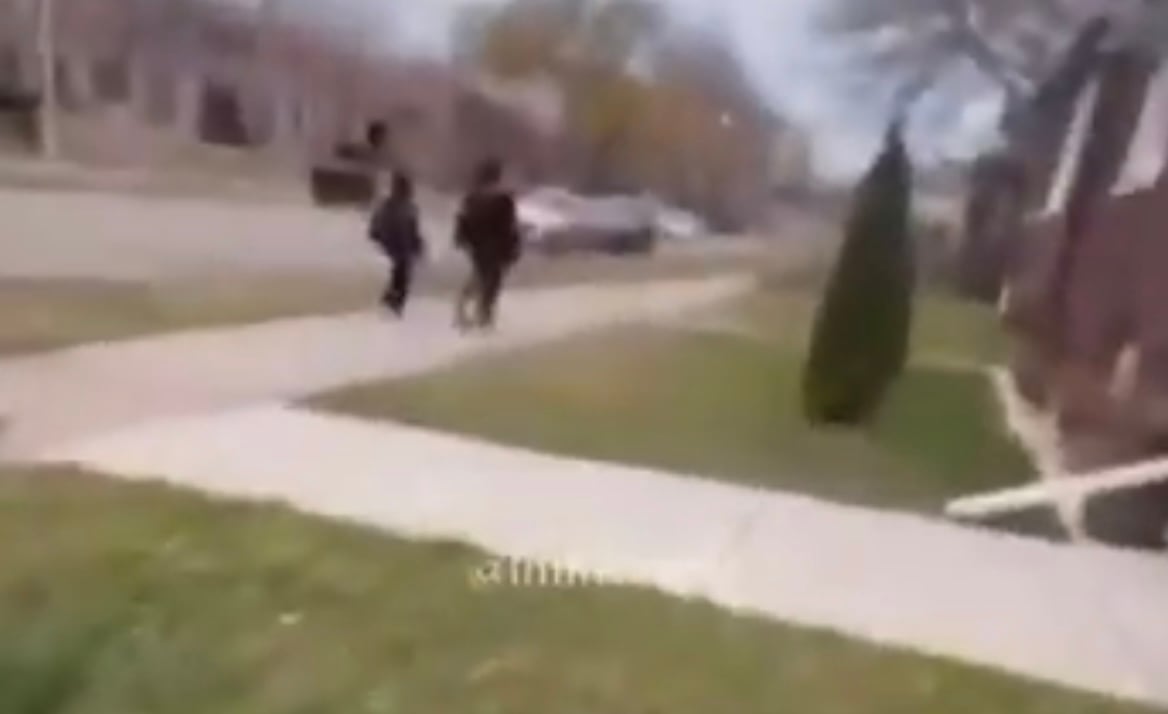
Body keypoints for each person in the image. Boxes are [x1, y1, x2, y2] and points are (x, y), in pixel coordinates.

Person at [453, 158, 522, 330]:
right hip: (496, 246)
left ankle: (464, 308)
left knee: (480, 275)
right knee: (492, 280)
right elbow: (509, 226)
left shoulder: (471, 197)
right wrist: (513, 247)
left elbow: (462, 220)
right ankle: (483, 316)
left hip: (477, 245)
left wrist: (461, 239)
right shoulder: (504, 199)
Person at [369, 171, 425, 316]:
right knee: (402, 274)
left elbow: (413, 229)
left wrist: (417, 244)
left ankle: (391, 302)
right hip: (398, 244)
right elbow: (412, 229)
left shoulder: (400, 206)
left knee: (401, 274)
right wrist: (417, 244)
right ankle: (393, 304)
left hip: (398, 245)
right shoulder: (399, 206)